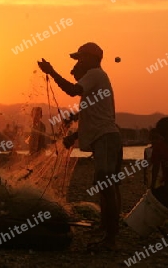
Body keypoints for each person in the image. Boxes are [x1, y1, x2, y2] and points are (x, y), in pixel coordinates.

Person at [37, 42, 122, 251]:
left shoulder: (95, 73)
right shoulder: (95, 80)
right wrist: (73, 135)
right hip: (105, 138)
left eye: (80, 58)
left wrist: (52, 71)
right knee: (105, 186)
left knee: (106, 184)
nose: (78, 62)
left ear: (92, 58)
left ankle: (111, 240)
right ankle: (105, 228)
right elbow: (91, 117)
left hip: (107, 138)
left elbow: (72, 90)